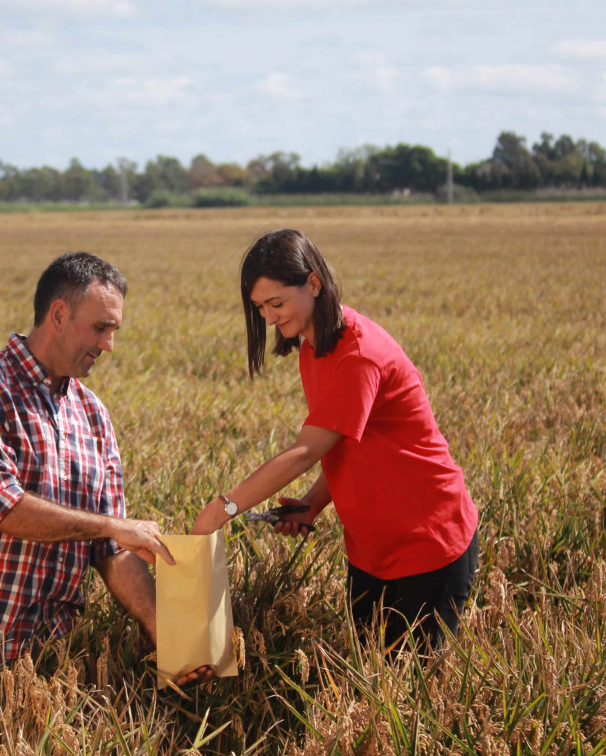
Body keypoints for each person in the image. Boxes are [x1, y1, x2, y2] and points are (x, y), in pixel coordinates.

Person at [0, 250, 207, 736]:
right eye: (100, 328)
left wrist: (162, 624)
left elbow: (112, 549)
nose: (108, 345)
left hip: (45, 657)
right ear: (59, 315)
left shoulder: (92, 415)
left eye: (114, 331)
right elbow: (1, 506)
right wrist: (114, 527)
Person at [191, 229, 478, 651]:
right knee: (371, 677)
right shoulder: (314, 346)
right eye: (259, 308)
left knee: (410, 693)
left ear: (313, 283)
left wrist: (223, 508)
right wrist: (312, 506)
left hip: (426, 544)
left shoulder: (358, 354)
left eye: (276, 303)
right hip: (370, 549)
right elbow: (343, 443)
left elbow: (305, 452)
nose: (268, 319)